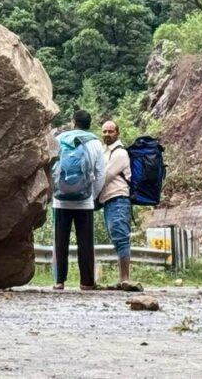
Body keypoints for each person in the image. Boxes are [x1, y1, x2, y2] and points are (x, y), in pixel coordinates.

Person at [51, 110, 106, 291]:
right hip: (85, 201)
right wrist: (94, 195)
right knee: (85, 243)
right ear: (90, 123)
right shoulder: (95, 143)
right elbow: (100, 174)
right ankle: (87, 282)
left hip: (61, 200)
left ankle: (59, 281)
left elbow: (52, 167)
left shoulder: (59, 139)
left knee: (60, 242)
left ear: (73, 122)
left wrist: (55, 191)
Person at [98, 120, 140, 291]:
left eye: (111, 131)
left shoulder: (120, 153)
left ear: (117, 133)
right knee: (116, 238)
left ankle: (125, 278)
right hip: (108, 201)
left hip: (119, 199)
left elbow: (105, 176)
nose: (107, 134)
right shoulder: (104, 151)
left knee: (121, 238)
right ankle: (122, 278)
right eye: (104, 132)